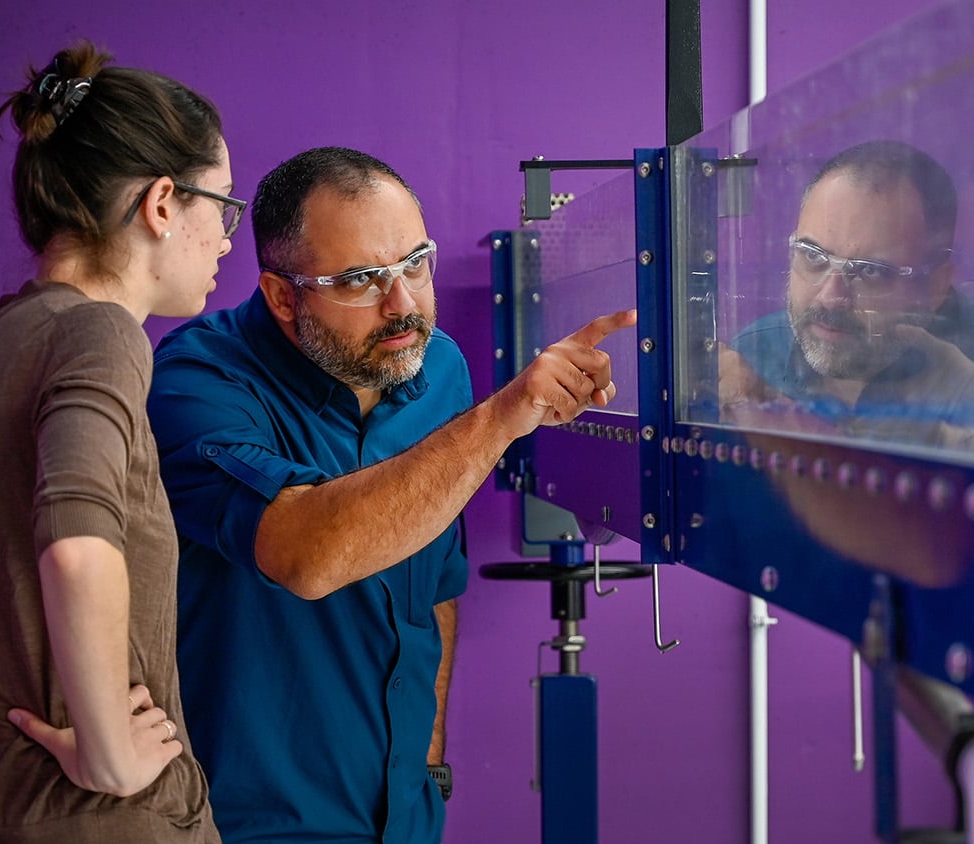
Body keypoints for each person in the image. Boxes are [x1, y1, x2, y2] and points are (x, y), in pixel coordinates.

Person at [146, 146, 633, 843]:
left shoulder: (438, 369)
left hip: (403, 817)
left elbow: (434, 583)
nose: (402, 303)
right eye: (359, 280)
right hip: (251, 823)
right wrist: (499, 419)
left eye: (414, 262)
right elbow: (305, 553)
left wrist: (428, 765)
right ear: (284, 295)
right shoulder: (198, 380)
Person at [0, 41, 239, 842]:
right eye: (221, 207)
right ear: (162, 203)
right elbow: (78, 550)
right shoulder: (102, 336)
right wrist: (114, 758)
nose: (226, 239)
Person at [726, 139, 974, 461]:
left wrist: (778, 419)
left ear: (936, 285)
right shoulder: (757, 353)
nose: (831, 296)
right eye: (814, 256)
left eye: (870, 272)